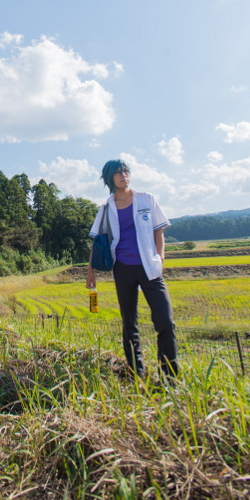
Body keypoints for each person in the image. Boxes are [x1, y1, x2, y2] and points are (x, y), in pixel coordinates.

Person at [86, 159, 178, 379]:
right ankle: (137, 375)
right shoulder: (106, 208)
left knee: (165, 321)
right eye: (118, 173)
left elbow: (159, 231)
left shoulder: (147, 199)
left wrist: (160, 257)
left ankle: (170, 378)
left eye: (126, 171)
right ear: (110, 179)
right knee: (130, 324)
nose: (124, 175)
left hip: (150, 268)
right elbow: (97, 242)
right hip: (123, 269)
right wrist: (90, 272)